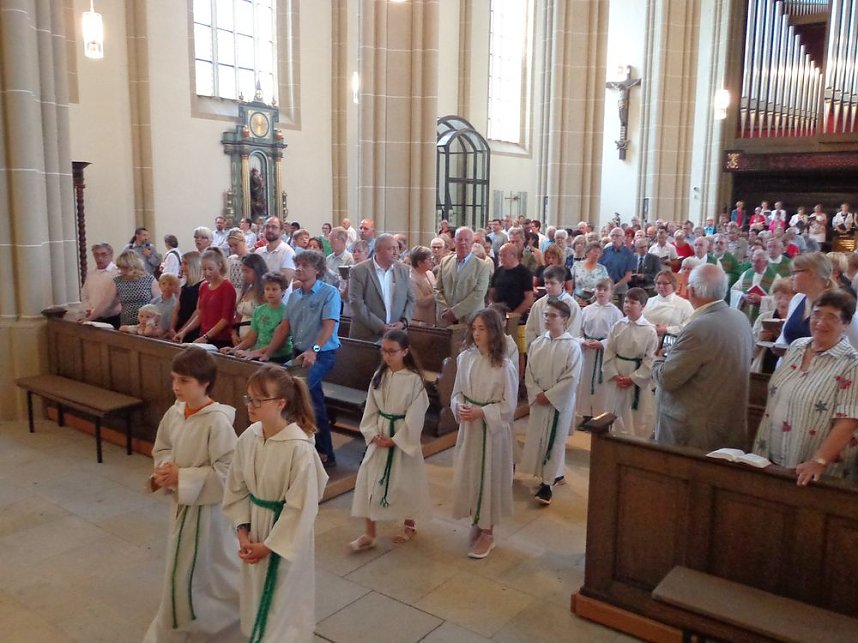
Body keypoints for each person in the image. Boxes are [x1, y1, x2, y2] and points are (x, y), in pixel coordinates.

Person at [223, 365, 328, 642]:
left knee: (284, 604)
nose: (251, 405)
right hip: (255, 527)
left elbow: (301, 507)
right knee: (254, 598)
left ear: (281, 403)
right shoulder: (250, 436)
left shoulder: (299, 447)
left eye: (259, 400)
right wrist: (242, 530)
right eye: (249, 398)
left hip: (283, 536)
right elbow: (237, 486)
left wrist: (269, 546)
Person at [143, 348, 240, 643]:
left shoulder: (217, 422)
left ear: (205, 383)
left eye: (184, 381)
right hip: (182, 505)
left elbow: (229, 474)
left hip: (208, 513)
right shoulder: (175, 412)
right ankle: (182, 619)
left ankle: (224, 623)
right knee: (185, 568)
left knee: (212, 570)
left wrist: (182, 477)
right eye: (174, 379)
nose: (175, 386)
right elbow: (162, 447)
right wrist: (164, 468)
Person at [753, 290, 858, 485]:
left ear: (846, 324)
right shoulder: (797, 347)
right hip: (772, 450)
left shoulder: (852, 363)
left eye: (831, 317)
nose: (820, 322)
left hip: (812, 467)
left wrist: (819, 461)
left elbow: (848, 421)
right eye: (817, 314)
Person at [652, 264, 754, 451]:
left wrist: (658, 358)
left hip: (693, 431)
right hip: (727, 421)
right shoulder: (740, 318)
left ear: (691, 290)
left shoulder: (700, 327)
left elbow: (667, 378)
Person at [349, 330, 431, 551]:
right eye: (383, 351)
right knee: (369, 480)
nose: (387, 356)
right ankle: (369, 533)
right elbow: (371, 408)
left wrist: (396, 439)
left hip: (401, 437)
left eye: (392, 352)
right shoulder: (380, 375)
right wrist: (372, 432)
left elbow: (417, 413)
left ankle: (409, 522)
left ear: (405, 351)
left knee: (405, 483)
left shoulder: (414, 380)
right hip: (380, 433)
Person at [261, 251, 341, 466]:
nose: (299, 269)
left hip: (321, 354)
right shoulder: (295, 295)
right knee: (314, 402)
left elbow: (329, 326)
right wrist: (266, 352)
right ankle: (322, 452)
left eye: (305, 265)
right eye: (298, 265)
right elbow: (284, 327)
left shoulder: (329, 293)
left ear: (317, 269)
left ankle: (307, 448)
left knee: (296, 396)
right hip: (300, 354)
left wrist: (314, 350)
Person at [450, 308, 517, 559]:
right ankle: (478, 520)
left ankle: (488, 532)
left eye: (482, 329)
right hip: (470, 428)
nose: (477, 334)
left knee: (489, 476)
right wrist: (459, 406)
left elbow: (508, 406)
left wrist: (481, 413)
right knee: (470, 474)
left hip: (491, 430)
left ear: (494, 332)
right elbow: (456, 392)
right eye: (474, 329)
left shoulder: (504, 365)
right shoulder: (465, 358)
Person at [522, 300, 583, 505]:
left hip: (559, 402)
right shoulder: (538, 343)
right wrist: (537, 392)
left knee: (555, 440)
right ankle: (550, 474)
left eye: (553, 316)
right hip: (539, 399)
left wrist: (550, 395)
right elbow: (529, 372)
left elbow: (571, 377)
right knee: (539, 437)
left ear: (564, 320)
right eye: (546, 315)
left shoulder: (572, 346)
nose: (547, 319)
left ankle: (547, 484)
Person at [602, 288, 658, 438]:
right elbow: (609, 351)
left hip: (635, 376)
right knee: (615, 410)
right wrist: (614, 375)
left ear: (643, 306)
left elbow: (650, 359)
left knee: (635, 415)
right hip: (617, 374)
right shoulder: (618, 326)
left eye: (633, 302)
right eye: (626, 301)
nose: (627, 305)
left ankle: (634, 441)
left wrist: (633, 378)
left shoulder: (649, 330)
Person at [776, 252, 858, 350]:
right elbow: (785, 335)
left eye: (795, 272)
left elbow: (854, 346)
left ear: (811, 273)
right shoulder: (797, 299)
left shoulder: (840, 304)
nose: (791, 277)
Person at [348, 234, 415, 342]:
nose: (395, 252)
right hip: (367, 335)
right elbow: (356, 303)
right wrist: (380, 327)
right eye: (390, 249)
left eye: (397, 248)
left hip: (396, 336)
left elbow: (411, 300)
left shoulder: (404, 270)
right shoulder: (359, 271)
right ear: (377, 250)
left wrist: (403, 322)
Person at [576, 278, 623, 426]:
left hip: (603, 353)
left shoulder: (616, 312)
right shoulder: (587, 310)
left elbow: (617, 335)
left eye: (605, 289)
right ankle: (586, 414)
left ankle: (600, 416)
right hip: (588, 352)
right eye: (598, 289)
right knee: (585, 382)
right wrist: (583, 340)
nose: (601, 292)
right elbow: (579, 331)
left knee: (600, 384)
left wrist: (602, 344)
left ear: (611, 292)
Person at [173, 249, 237, 348]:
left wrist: (206, 337)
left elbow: (225, 319)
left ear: (219, 266)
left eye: (210, 269)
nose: (207, 273)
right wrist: (184, 331)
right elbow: (200, 314)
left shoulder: (227, 286)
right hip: (204, 335)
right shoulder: (203, 286)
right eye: (204, 269)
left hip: (220, 339)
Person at [223, 271, 292, 361]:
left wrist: (255, 353)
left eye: (274, 289)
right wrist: (235, 349)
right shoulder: (259, 310)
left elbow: (280, 342)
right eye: (267, 289)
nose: (270, 293)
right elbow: (252, 338)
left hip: (280, 357)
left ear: (283, 291)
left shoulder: (286, 311)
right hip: (258, 354)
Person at [434, 227, 493, 327]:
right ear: (454, 241)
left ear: (472, 242)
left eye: (466, 240)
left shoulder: (482, 266)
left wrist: (455, 312)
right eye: (460, 239)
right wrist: (445, 310)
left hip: (469, 320)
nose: (463, 243)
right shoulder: (445, 262)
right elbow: (437, 289)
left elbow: (478, 294)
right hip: (445, 320)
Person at [525, 265, 581, 348]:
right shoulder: (538, 304)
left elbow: (573, 331)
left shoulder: (572, 306)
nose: (548, 286)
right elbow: (530, 329)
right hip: (541, 348)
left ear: (562, 284)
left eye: (552, 283)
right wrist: (535, 347)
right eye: (546, 283)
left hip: (562, 349)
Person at [751, 276, 793, 373]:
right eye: (778, 298)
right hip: (761, 370)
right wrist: (759, 342)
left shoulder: (796, 322)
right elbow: (750, 354)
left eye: (787, 298)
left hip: (784, 372)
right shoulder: (763, 318)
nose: (782, 302)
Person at [112, 249, 160, 326]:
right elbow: (107, 303)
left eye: (124, 268)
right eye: (120, 268)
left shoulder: (149, 279)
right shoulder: (118, 281)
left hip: (146, 324)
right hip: (127, 324)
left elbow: (159, 303)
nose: (121, 271)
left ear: (132, 266)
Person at [642, 269, 694, 342]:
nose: (661, 286)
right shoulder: (648, 301)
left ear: (673, 285)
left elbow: (689, 327)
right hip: (645, 339)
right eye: (658, 283)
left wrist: (667, 330)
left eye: (665, 283)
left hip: (669, 342)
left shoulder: (684, 304)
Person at [730, 249, 779, 323]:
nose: (754, 264)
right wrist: (743, 296)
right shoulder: (746, 274)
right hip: (745, 316)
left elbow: (778, 299)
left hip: (762, 319)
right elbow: (734, 290)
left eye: (758, 261)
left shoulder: (775, 278)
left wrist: (761, 299)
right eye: (752, 260)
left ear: (766, 263)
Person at [489, 243, 534, 318]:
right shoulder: (498, 271)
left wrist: (514, 314)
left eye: (504, 255)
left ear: (513, 256)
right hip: (498, 314)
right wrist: (493, 306)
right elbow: (492, 292)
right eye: (500, 255)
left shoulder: (524, 273)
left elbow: (529, 298)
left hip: (517, 316)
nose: (501, 258)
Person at [255, 216, 296, 298]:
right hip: (260, 301)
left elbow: (284, 283)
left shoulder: (288, 252)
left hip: (280, 304)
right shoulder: (258, 252)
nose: (270, 230)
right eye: (267, 227)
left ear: (281, 231)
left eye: (274, 227)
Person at [81, 243, 121, 327]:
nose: (100, 258)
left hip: (112, 317)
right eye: (96, 255)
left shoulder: (117, 273)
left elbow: (115, 299)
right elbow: (85, 294)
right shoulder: (91, 274)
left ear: (111, 255)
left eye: (103, 254)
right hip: (93, 316)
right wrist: (88, 308)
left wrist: (99, 311)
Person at [231, 253, 268, 343]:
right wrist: (234, 334)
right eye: (243, 271)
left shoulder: (265, 293)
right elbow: (238, 317)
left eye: (247, 271)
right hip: (240, 338)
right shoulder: (247, 290)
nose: (244, 275)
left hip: (256, 340)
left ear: (257, 271)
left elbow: (263, 322)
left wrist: (245, 340)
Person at [168, 251, 203, 342]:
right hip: (180, 326)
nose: (182, 267)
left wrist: (184, 329)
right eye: (182, 263)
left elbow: (197, 311)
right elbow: (177, 309)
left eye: (185, 263)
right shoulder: (184, 285)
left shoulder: (202, 285)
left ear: (194, 265)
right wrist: (172, 327)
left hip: (192, 329)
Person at [599, 227, 636, 296]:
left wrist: (614, 287)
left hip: (620, 289)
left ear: (623, 238)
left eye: (617, 236)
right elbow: (600, 268)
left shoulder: (628, 254)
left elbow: (628, 276)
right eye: (612, 235)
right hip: (605, 286)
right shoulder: (606, 251)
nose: (614, 238)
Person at [409, 246, 437, 325]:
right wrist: (437, 293)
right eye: (429, 259)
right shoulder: (410, 279)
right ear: (419, 263)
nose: (432, 261)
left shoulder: (430, 273)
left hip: (433, 317)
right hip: (419, 319)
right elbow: (421, 301)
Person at [226, 227, 252, 291]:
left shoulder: (252, 259)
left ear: (243, 241)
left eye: (236, 245)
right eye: (230, 246)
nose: (233, 249)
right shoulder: (230, 260)